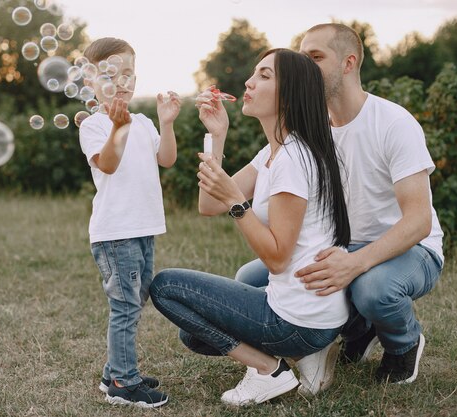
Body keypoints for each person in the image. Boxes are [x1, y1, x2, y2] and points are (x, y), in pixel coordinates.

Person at [236, 23, 444, 386]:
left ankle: (403, 344)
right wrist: (216, 134)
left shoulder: (393, 122)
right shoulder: (306, 129)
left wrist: (355, 263)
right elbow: (230, 190)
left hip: (409, 249)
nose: (305, 66)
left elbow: (418, 221)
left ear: (348, 63)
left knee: (373, 290)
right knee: (248, 281)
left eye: (316, 57)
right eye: (302, 58)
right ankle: (358, 329)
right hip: (337, 247)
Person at [149, 48, 351, 406]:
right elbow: (208, 205)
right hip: (304, 311)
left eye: (264, 75)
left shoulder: (293, 159)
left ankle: (268, 370)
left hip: (297, 319)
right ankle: (305, 356)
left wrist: (238, 205)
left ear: (289, 94)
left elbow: (276, 258)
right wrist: (217, 135)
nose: (249, 81)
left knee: (165, 287)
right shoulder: (275, 152)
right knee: (193, 336)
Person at [78, 37, 181, 408]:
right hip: (116, 232)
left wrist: (166, 123)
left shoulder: (141, 122)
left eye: (129, 73)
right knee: (124, 306)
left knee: (134, 300)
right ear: (90, 81)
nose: (123, 80)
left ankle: (113, 372)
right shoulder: (93, 125)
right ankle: (124, 383)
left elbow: (166, 159)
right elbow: (107, 163)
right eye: (111, 73)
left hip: (143, 228)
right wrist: (116, 127)